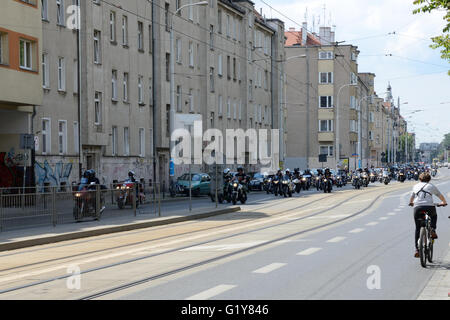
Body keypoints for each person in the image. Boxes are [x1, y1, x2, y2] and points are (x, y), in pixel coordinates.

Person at [409, 172, 447, 258]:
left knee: (418, 228)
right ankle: (432, 229)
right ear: (429, 179)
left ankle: (417, 250)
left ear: (420, 179)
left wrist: (411, 203)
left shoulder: (415, 186)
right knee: (434, 216)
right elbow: (439, 195)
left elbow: (412, 198)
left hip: (417, 208)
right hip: (430, 207)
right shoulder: (431, 186)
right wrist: (444, 202)